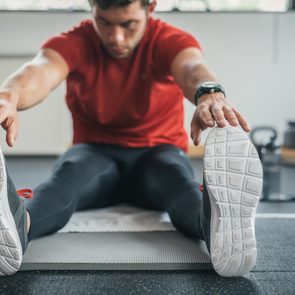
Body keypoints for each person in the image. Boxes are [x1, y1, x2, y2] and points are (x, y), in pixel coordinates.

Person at [0, 0, 262, 277]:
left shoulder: (167, 39)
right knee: (66, 178)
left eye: (128, 24)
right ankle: (16, 226)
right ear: (92, 10)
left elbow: (191, 69)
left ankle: (217, 228)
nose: (116, 38)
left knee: (178, 182)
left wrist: (208, 93)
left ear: (150, 9)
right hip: (95, 153)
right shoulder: (76, 41)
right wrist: (10, 95)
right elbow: (40, 71)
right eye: (105, 22)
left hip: (158, 152)